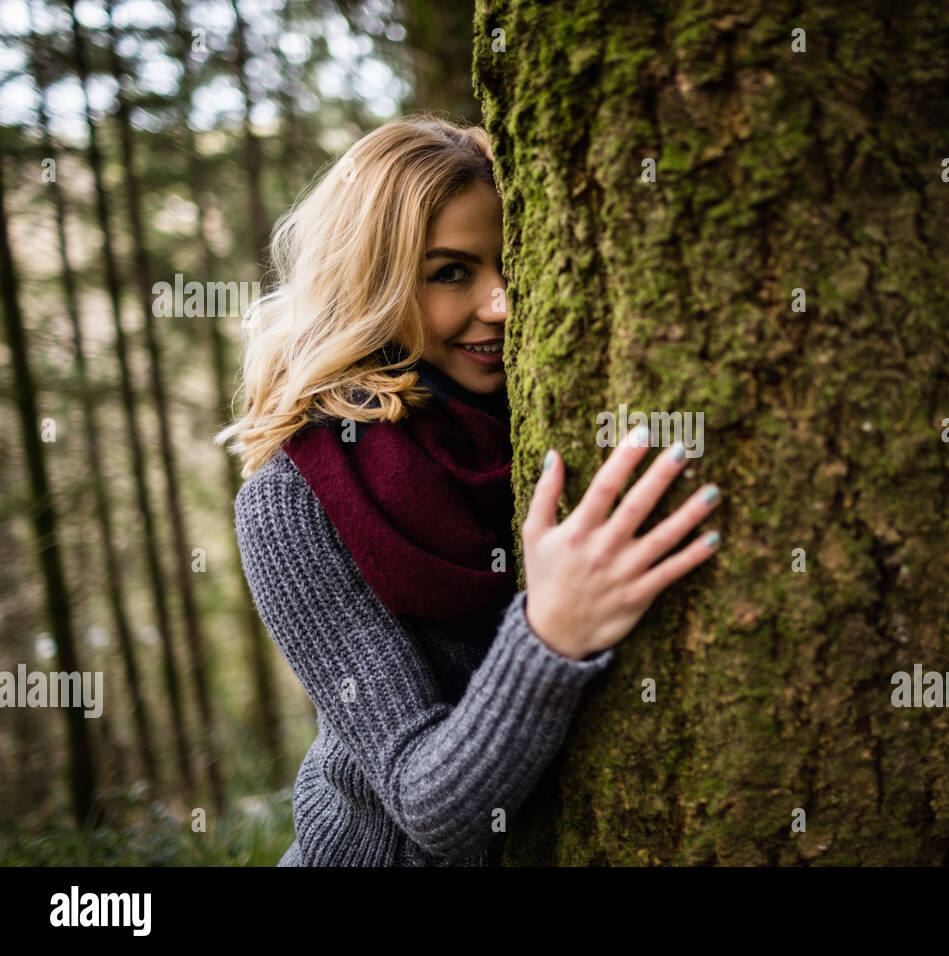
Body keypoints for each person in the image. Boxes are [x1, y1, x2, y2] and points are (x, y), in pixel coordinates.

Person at [216, 116, 721, 866]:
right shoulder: (292, 499)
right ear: (371, 282)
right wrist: (549, 632)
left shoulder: (533, 419)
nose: (502, 305)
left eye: (509, 263)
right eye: (451, 272)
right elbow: (428, 806)